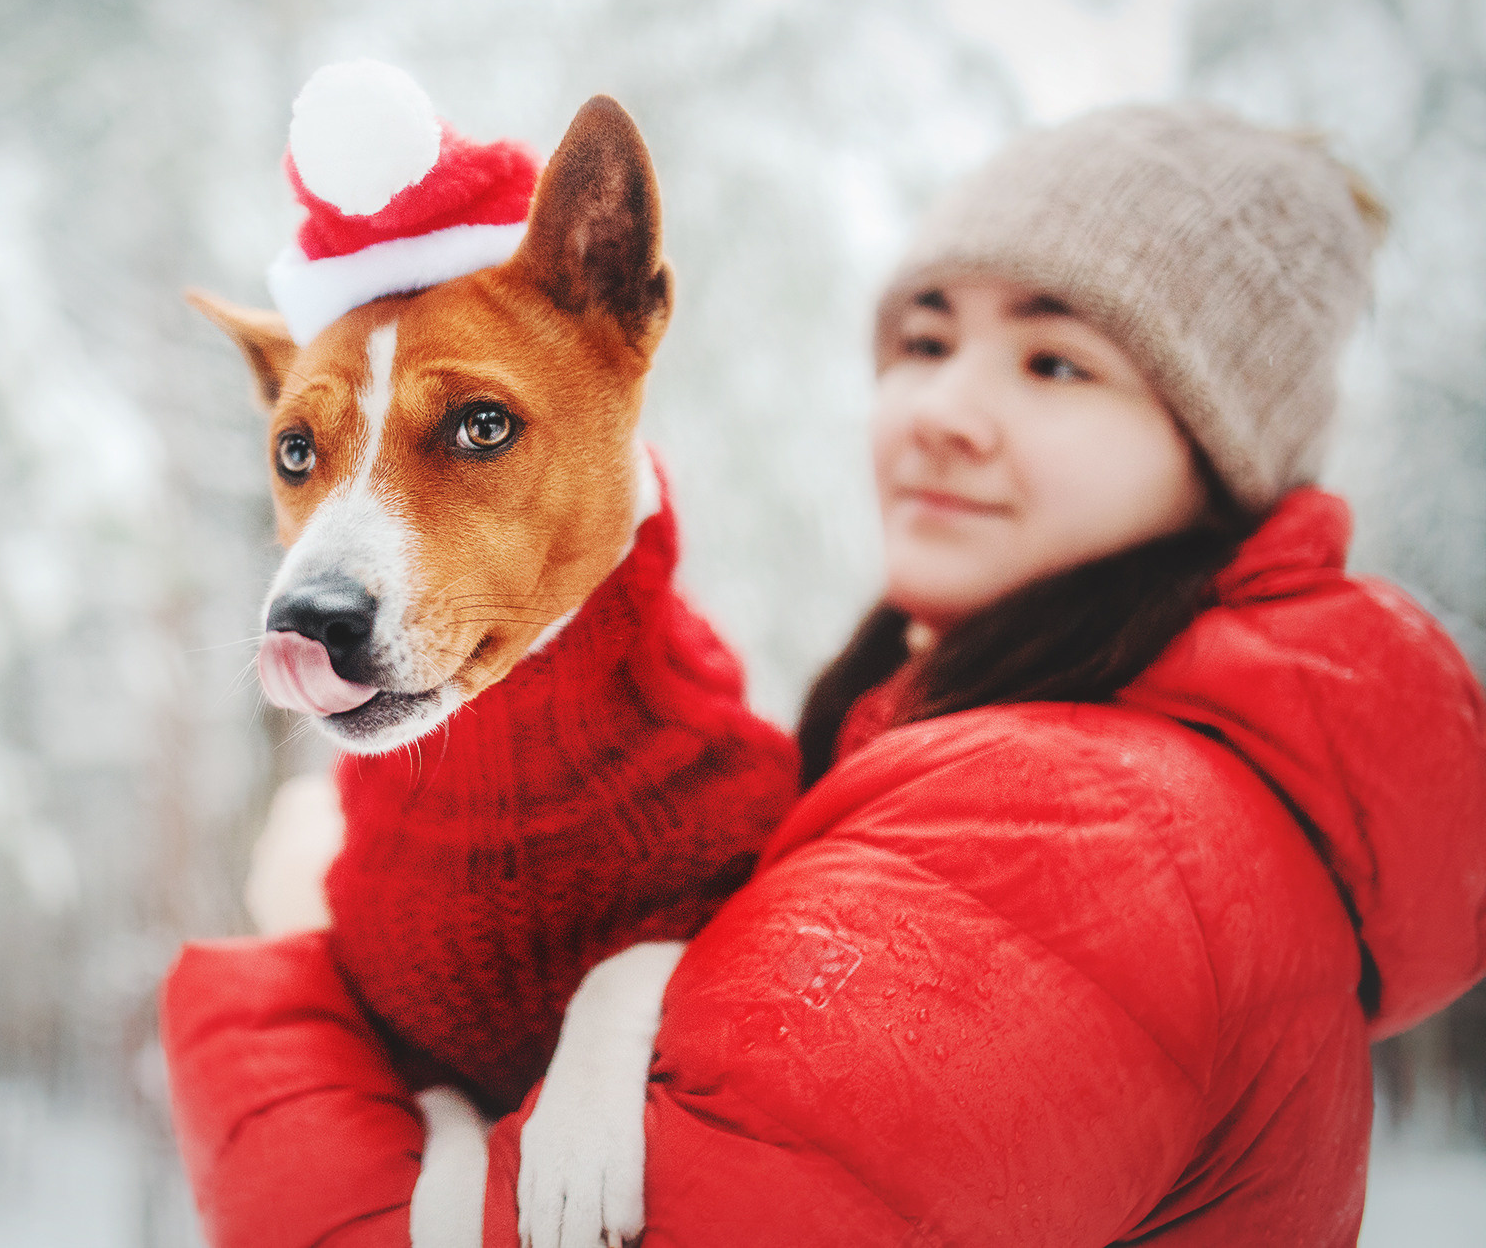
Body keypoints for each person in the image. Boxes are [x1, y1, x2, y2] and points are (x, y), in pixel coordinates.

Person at [159, 103, 1486, 1246]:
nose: (942, 411)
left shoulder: (1107, 836)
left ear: (1221, 454)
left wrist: (284, 968)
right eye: (924, 341)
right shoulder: (954, 743)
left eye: (1056, 361)